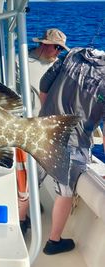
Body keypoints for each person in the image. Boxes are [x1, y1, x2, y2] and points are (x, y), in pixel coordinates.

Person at [39, 47, 105, 255]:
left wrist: (46, 113)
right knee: (65, 192)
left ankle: (22, 220)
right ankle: (54, 241)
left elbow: (44, 84)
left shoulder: (72, 54)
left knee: (32, 179)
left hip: (43, 128)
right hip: (73, 140)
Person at [16, 28, 69, 234]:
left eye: (61, 50)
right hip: (23, 125)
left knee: (39, 172)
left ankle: (28, 206)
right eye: (57, 47)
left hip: (45, 127)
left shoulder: (58, 67)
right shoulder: (20, 61)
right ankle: (22, 217)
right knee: (23, 172)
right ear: (45, 44)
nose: (58, 53)